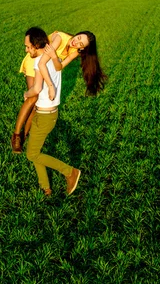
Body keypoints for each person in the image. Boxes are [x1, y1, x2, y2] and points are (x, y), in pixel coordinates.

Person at [11, 29, 106, 153]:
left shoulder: (75, 51)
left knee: (36, 105)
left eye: (80, 44)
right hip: (35, 61)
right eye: (78, 38)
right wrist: (50, 86)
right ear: (77, 34)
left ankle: (25, 135)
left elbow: (59, 67)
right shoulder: (60, 38)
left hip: (44, 67)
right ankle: (16, 136)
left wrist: (55, 56)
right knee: (33, 97)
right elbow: (41, 63)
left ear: (82, 49)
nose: (76, 42)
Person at [20, 27, 81, 196]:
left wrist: (26, 94)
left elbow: (36, 88)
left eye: (27, 47)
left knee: (32, 154)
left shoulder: (41, 63)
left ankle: (70, 172)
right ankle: (45, 187)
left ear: (36, 45)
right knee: (35, 151)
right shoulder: (55, 60)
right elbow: (59, 65)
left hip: (45, 116)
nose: (26, 50)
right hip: (47, 114)